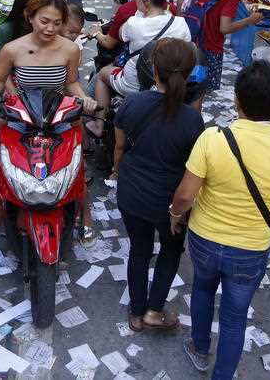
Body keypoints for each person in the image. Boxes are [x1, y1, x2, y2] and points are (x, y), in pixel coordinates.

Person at [168, 61, 270, 378]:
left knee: (202, 291)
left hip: (205, 239)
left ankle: (199, 349)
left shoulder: (212, 139)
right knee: (235, 316)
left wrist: (176, 215)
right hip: (251, 247)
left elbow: (186, 195)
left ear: (237, 100)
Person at [0, 0, 98, 274]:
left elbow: (71, 83)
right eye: (44, 21)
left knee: (76, 168)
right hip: (22, 114)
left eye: (57, 23)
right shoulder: (12, 49)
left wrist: (85, 99)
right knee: (5, 182)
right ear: (30, 17)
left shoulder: (70, 49)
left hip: (58, 118)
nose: (50, 28)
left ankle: (87, 216)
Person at [113, 38, 204, 332]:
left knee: (139, 250)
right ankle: (154, 310)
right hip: (170, 200)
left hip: (132, 192)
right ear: (190, 74)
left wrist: (118, 172)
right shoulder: (193, 120)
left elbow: (119, 147)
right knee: (170, 249)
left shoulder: (132, 102)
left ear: (153, 69)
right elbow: (192, 171)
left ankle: (137, 314)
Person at [87, 0, 191, 138]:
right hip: (167, 79)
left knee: (102, 74)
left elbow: (119, 36)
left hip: (135, 81)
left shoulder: (134, 23)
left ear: (147, 1)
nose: (135, 0)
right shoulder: (180, 23)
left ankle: (98, 125)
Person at [195, 0, 263, 94]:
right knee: (203, 93)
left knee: (196, 89)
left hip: (197, 43)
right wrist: (250, 20)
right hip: (212, 50)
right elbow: (224, 28)